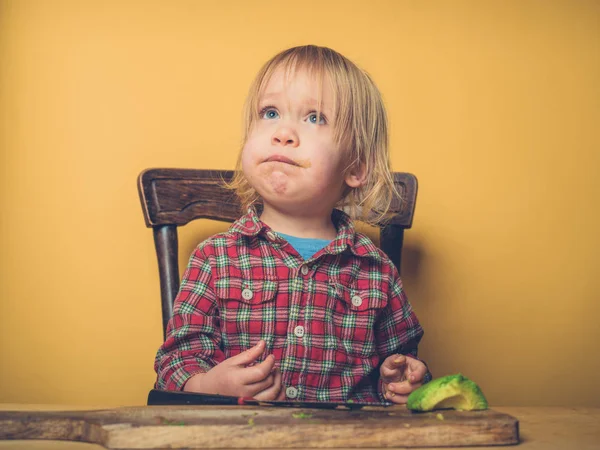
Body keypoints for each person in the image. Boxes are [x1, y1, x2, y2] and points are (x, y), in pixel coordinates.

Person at [154, 45, 431, 404]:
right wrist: (208, 386)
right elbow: (175, 361)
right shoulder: (214, 259)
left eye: (315, 118)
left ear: (355, 166)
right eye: (270, 113)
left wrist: (401, 380)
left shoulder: (376, 271)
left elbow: (402, 367)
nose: (283, 132)